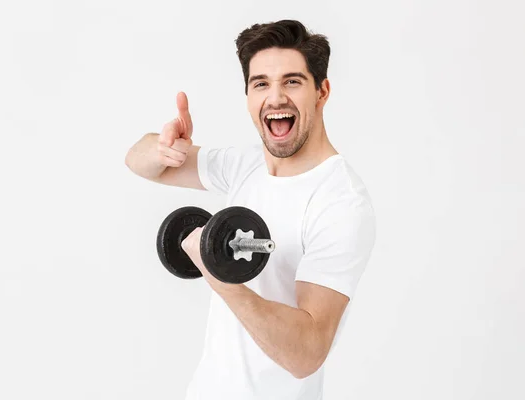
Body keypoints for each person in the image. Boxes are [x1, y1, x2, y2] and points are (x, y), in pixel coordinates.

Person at [125, 19, 376, 400]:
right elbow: (138, 161)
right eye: (261, 83)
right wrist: (162, 148)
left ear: (322, 91)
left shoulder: (340, 201)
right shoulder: (246, 166)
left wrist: (218, 274)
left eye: (292, 81)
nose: (275, 98)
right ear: (248, 96)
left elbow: (307, 353)